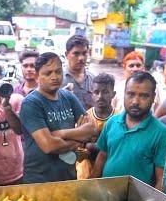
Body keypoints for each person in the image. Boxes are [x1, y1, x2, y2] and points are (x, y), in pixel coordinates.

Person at [20, 52, 96, 183]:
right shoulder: (31, 103)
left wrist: (61, 133)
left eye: (58, 71)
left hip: (68, 177)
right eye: (48, 73)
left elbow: (91, 130)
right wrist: (78, 140)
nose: (54, 77)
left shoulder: (68, 96)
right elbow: (49, 146)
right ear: (37, 77)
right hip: (39, 180)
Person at [91, 71, 166, 190]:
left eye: (143, 96)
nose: (135, 102)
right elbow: (102, 156)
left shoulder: (161, 133)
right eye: (131, 94)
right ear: (124, 94)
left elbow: (161, 177)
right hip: (106, 195)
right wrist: (90, 186)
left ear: (153, 97)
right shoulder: (112, 122)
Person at [76, 72, 120, 180]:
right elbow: (78, 150)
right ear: (92, 94)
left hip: (111, 166)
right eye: (96, 92)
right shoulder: (85, 117)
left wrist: (94, 147)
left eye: (105, 92)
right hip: (88, 167)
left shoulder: (120, 118)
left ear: (113, 94)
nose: (100, 96)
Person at [62, 35, 94, 110]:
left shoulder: (93, 79)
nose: (81, 58)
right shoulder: (58, 79)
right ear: (66, 55)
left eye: (84, 53)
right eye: (76, 54)